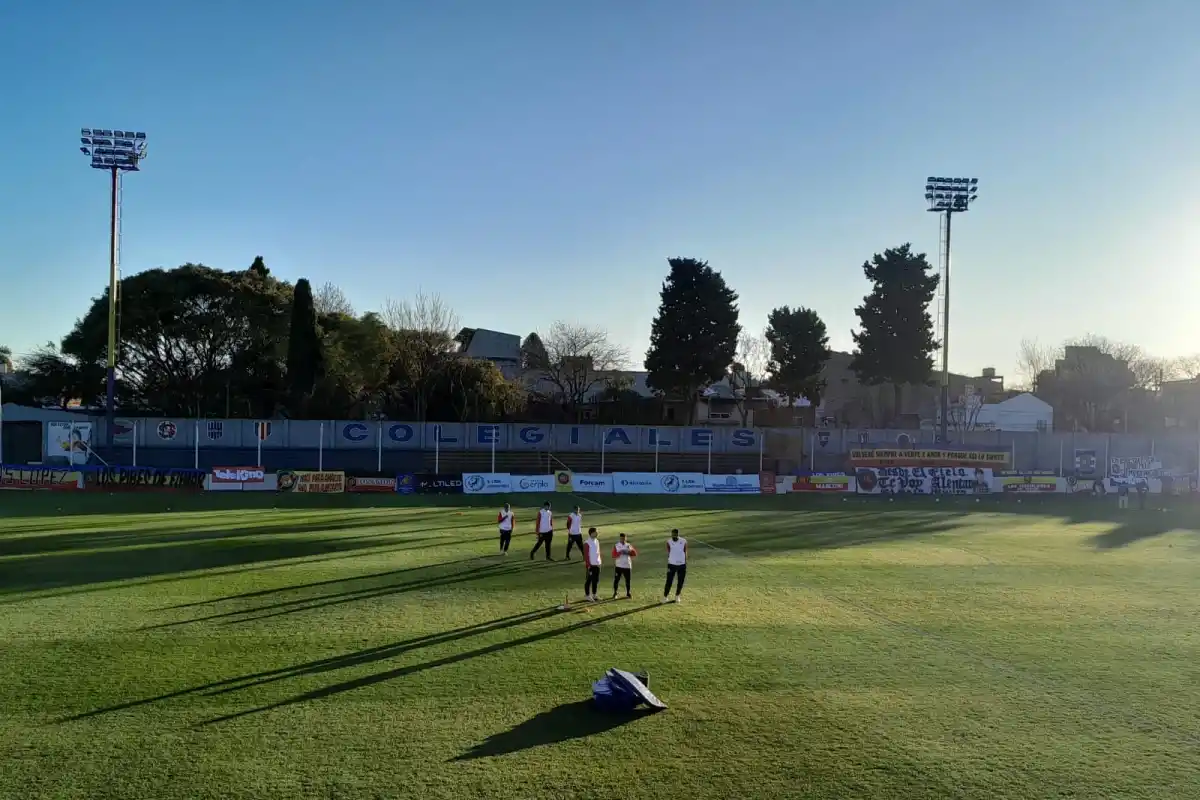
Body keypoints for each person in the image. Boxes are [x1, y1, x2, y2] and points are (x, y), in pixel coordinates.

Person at [662, 528, 687, 604]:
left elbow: (685, 551)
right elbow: (669, 551)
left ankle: (677, 596)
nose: (673, 536)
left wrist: (685, 561)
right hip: (671, 565)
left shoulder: (683, 541)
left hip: (682, 565)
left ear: (678, 534)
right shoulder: (668, 542)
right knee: (669, 581)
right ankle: (665, 597)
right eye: (672, 534)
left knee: (680, 581)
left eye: (675, 534)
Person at [611, 532, 637, 599]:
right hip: (619, 566)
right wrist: (620, 552)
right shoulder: (616, 545)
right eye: (621, 538)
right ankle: (615, 593)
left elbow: (634, 553)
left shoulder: (628, 545)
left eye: (624, 538)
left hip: (627, 565)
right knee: (616, 580)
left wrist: (629, 552)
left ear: (626, 538)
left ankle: (628, 593)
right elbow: (613, 555)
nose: (623, 539)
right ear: (619, 538)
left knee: (628, 580)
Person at [583, 527, 602, 602]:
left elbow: (598, 552)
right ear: (591, 533)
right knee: (589, 580)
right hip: (591, 565)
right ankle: (587, 595)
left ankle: (594, 594)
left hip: (597, 564)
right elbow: (586, 556)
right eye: (595, 532)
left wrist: (600, 562)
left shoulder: (597, 541)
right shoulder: (587, 543)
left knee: (596, 580)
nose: (597, 533)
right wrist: (588, 565)